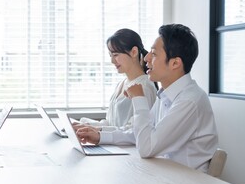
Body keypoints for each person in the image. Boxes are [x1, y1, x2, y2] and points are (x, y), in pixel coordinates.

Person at [78, 23, 219, 172]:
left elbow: (146, 148)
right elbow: (138, 133)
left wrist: (139, 99)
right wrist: (99, 137)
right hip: (166, 175)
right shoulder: (166, 95)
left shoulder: (190, 101)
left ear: (175, 63)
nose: (146, 58)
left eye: (154, 53)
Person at [73, 28, 157, 145]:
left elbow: (134, 130)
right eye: (110, 55)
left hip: (129, 151)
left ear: (134, 52)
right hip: (115, 147)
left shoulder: (144, 86)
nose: (112, 61)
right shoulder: (121, 84)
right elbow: (111, 123)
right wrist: (85, 126)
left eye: (116, 55)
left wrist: (98, 132)